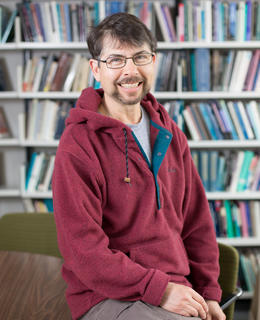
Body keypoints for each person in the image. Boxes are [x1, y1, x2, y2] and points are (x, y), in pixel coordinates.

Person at [52, 12, 226, 320]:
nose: (130, 70)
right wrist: (162, 290)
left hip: (177, 289)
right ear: (95, 69)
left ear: (154, 62)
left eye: (140, 57)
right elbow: (84, 252)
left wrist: (209, 293)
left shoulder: (170, 133)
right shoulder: (78, 144)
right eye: (116, 60)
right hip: (106, 295)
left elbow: (197, 224)